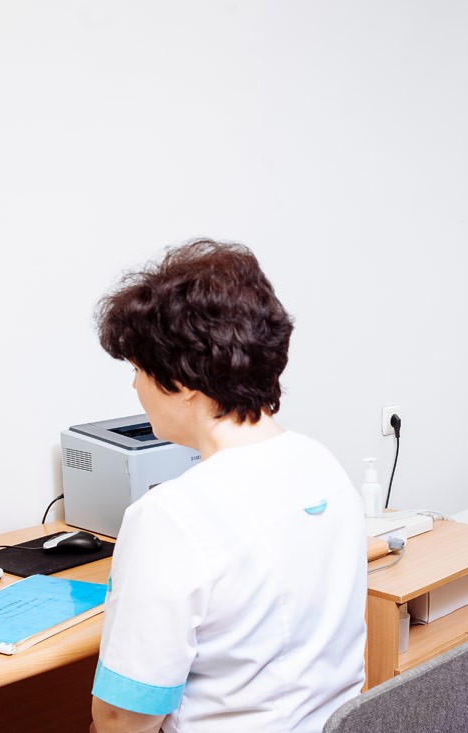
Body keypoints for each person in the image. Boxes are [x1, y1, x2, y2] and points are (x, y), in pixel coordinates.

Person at [88, 239, 367, 733]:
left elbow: (122, 720)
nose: (134, 387)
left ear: (182, 383)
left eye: (138, 370)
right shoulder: (322, 465)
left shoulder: (172, 515)